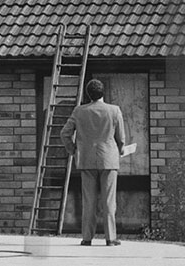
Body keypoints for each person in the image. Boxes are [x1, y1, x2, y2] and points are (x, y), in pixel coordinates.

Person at [60, 79, 125, 247]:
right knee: (109, 201)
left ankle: (87, 238)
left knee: (89, 201)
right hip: (109, 160)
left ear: (88, 94)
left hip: (86, 159)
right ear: (103, 92)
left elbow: (65, 133)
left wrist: (72, 149)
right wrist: (121, 148)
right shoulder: (114, 110)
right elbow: (121, 138)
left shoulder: (79, 111)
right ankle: (110, 238)